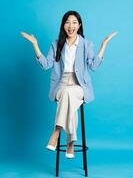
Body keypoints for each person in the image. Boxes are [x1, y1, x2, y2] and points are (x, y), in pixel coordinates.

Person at [20, 10, 117, 159]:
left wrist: (103, 45)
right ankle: (70, 142)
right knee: (67, 96)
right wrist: (35, 45)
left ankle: (56, 132)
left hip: (80, 86)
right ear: (63, 25)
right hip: (61, 84)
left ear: (79, 25)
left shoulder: (86, 44)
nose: (70, 26)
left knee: (69, 95)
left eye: (74, 22)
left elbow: (94, 66)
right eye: (67, 22)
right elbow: (46, 65)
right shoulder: (56, 44)